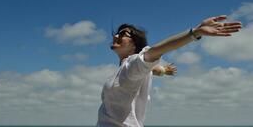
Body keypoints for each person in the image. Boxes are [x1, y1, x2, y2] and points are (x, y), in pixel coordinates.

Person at [96, 15, 242, 127]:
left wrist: (194, 33)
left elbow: (156, 51)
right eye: (117, 34)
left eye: (122, 34)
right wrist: (163, 70)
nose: (116, 36)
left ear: (135, 44)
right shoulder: (127, 69)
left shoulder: (133, 64)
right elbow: (153, 69)